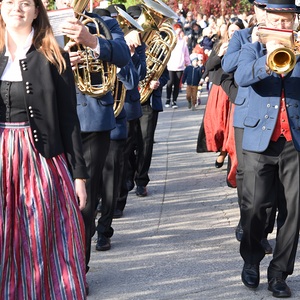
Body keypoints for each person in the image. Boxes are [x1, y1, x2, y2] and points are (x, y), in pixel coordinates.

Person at [0, 0, 88, 298]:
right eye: (10, 2)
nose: (17, 8)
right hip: (2, 161)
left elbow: (69, 120)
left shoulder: (54, 56)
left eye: (25, 3)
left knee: (39, 234)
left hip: (41, 159)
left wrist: (79, 175)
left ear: (37, 11)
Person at [55, 0, 131, 278]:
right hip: (49, 119)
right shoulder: (42, 25)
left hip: (91, 121)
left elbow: (123, 55)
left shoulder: (104, 23)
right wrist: (57, 61)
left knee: (84, 198)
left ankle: (78, 268)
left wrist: (90, 40)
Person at [234, 0, 300, 297]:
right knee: (255, 208)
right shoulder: (253, 46)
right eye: (278, 19)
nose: (283, 25)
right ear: (266, 19)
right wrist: (268, 57)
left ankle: (279, 273)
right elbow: (241, 76)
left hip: (294, 142)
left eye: (288, 20)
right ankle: (250, 259)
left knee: (293, 212)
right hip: (260, 140)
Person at [222, 0, 276, 255]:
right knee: (245, 174)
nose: (266, 14)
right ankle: (248, 222)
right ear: (255, 10)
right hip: (246, 114)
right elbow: (227, 65)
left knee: (271, 180)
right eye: (262, 9)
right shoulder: (242, 35)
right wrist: (252, 42)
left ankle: (263, 230)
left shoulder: (285, 36)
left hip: (273, 115)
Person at [94, 5, 140, 251]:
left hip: (114, 124)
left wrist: (119, 61)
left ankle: (105, 230)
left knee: (111, 182)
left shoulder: (118, 50)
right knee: (90, 183)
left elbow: (132, 81)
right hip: (87, 125)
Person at [165, 22, 190, 109]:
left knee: (177, 84)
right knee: (170, 82)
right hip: (171, 65)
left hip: (180, 65)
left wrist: (188, 63)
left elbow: (186, 53)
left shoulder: (182, 42)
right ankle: (168, 99)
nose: (178, 34)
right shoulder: (169, 41)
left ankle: (174, 100)